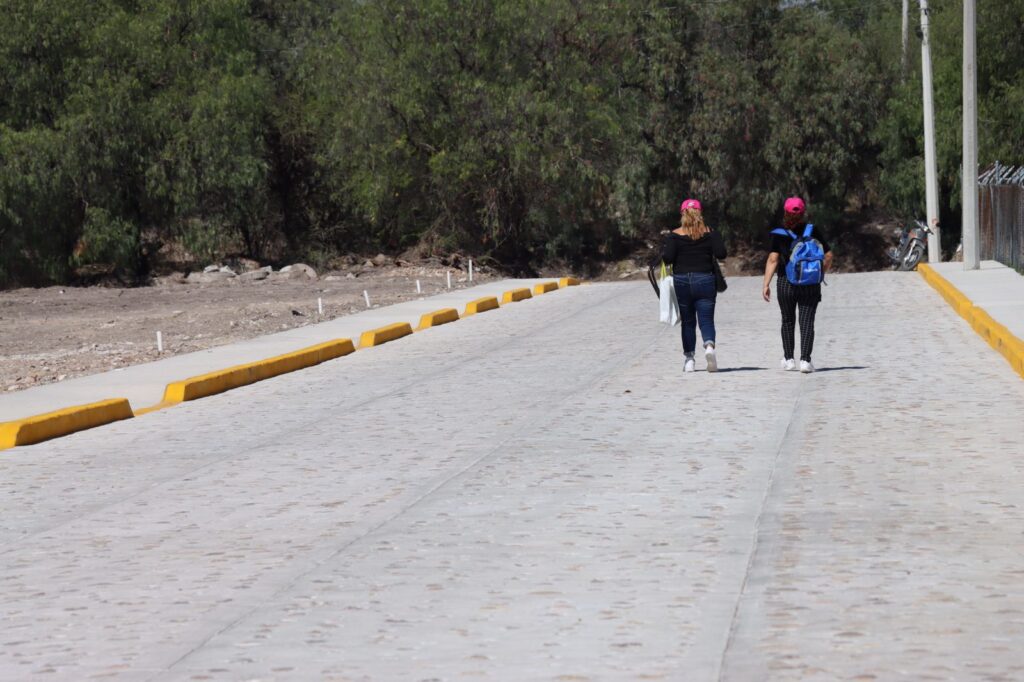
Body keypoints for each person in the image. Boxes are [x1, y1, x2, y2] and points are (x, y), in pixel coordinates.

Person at [762, 197, 833, 373]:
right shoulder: (812, 230)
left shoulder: (778, 233)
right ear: (802, 213)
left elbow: (773, 259)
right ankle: (805, 361)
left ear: (785, 212)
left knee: (787, 320)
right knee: (807, 321)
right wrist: (820, 273)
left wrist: (766, 284)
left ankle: (789, 359)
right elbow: (829, 255)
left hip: (786, 282)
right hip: (810, 283)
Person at [661, 198, 727, 373]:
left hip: (682, 280)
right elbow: (721, 253)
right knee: (706, 319)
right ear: (700, 213)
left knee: (688, 321)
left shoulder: (674, 235)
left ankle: (689, 359)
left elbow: (667, 258)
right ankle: (709, 347)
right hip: (705, 279)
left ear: (682, 214)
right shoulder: (711, 233)